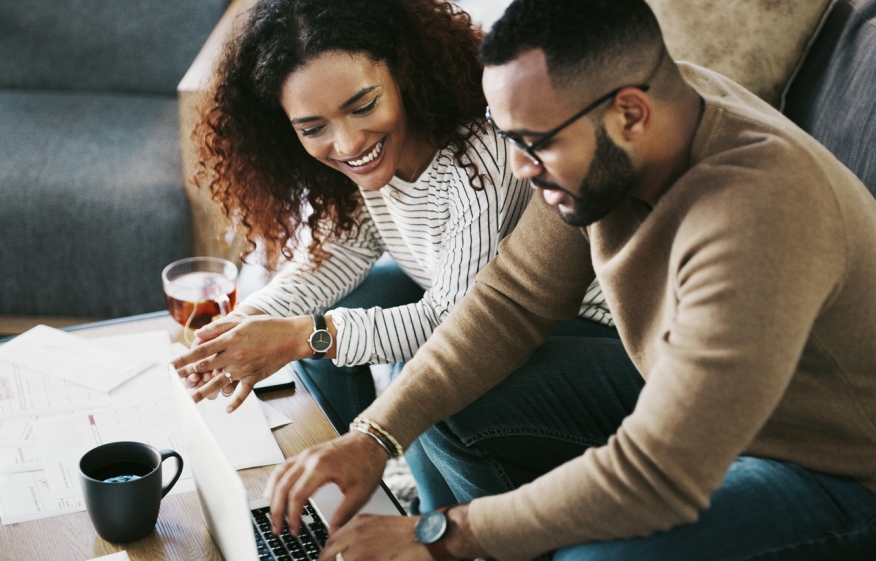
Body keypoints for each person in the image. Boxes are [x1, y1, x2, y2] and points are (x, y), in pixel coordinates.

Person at [252, 0, 876, 559]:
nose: (519, 169)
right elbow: (510, 301)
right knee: (451, 396)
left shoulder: (755, 213)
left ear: (630, 114)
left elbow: (660, 471)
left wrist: (439, 534)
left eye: (534, 144)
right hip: (692, 396)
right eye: (509, 137)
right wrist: (373, 437)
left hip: (830, 468)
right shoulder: (631, 131)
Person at [171, 0, 614, 513]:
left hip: (585, 326)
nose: (348, 142)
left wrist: (302, 337)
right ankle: (354, 496)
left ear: (402, 68)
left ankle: (470, 530)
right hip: (479, 313)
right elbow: (334, 256)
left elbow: (459, 327)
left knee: (429, 385)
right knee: (361, 293)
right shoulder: (367, 165)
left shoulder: (482, 162)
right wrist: (243, 324)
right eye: (313, 128)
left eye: (363, 106)